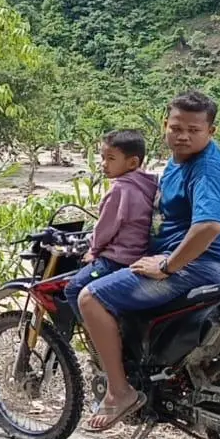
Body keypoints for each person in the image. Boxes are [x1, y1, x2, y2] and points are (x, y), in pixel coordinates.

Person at [78, 91, 220, 435]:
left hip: (200, 266)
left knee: (91, 297)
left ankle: (119, 391)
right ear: (164, 125)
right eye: (176, 127)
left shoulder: (206, 167)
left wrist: (167, 266)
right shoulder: (176, 161)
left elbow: (209, 226)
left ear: (211, 131)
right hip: (200, 263)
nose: (183, 135)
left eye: (194, 130)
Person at [63, 130, 158, 316]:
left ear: (132, 162)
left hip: (117, 259)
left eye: (111, 159)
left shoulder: (120, 189)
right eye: (102, 157)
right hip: (141, 255)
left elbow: (106, 228)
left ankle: (95, 336)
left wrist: (94, 250)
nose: (103, 164)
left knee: (74, 288)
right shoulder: (149, 184)